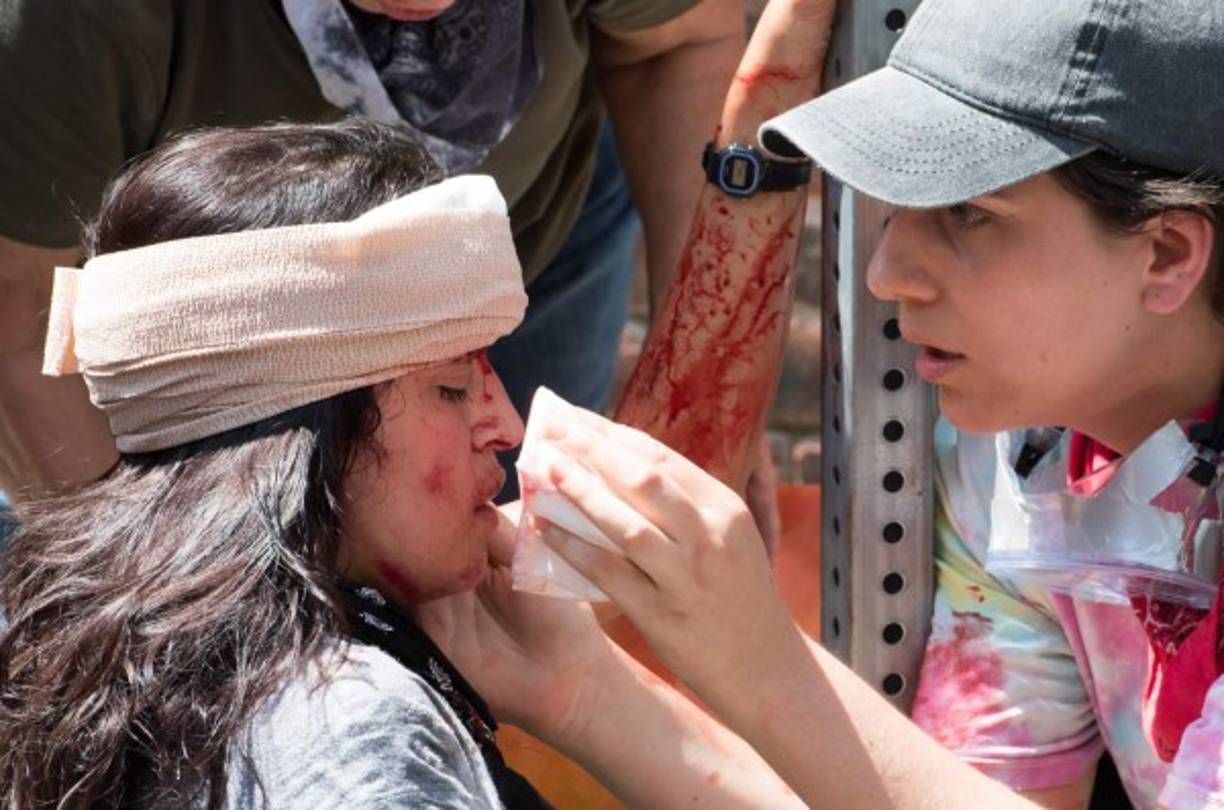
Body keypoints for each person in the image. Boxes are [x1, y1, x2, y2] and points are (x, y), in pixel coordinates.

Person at [452, 1, 1224, 808]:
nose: (887, 273)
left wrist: (753, 650)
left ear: (1167, 253)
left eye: (970, 212)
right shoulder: (1016, 474)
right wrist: (583, 691)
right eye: (897, 208)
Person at [0, 118, 806, 809]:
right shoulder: (351, 732)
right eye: (453, 386)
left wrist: (583, 689)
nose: (507, 422)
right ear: (298, 428)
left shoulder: (75, 664)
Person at [0, 0, 745, 508]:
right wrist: (140, 602)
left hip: (533, 239)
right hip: (188, 339)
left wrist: (710, 382)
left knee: (519, 575)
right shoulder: (62, 22)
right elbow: (21, 319)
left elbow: (679, 39)